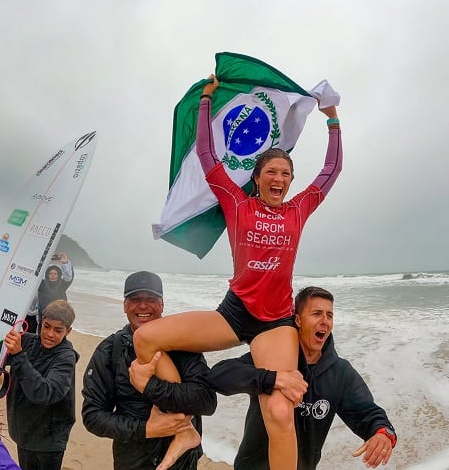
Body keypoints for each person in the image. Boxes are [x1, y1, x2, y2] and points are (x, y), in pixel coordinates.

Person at [133, 75, 343, 469]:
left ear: (291, 181)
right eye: (271, 172)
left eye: (285, 174)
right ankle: (183, 426)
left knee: (279, 413)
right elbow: (207, 152)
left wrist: (332, 120)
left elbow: (330, 171)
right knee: (146, 338)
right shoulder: (237, 202)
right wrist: (206, 102)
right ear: (258, 178)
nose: (279, 179)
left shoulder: (298, 209)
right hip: (234, 313)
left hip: (276, 323)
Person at [209, 286, 397, 469]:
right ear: (298, 320)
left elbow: (368, 413)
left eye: (329, 315)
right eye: (316, 314)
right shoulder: (274, 358)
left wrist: (383, 433)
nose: (325, 321)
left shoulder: (340, 372)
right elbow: (219, 375)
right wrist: (272, 378)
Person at [82, 271, 216, 470]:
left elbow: (206, 402)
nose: (143, 306)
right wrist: (146, 429)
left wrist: (150, 386)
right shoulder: (111, 350)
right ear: (125, 305)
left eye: (150, 299)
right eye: (135, 299)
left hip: (182, 461)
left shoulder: (184, 347)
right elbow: (93, 416)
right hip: (134, 461)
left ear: (162, 304)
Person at [4, 299, 78, 470]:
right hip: (24, 433)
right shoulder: (27, 341)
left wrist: (19, 356)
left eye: (58, 330)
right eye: (47, 326)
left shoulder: (66, 358)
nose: (50, 334)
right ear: (40, 323)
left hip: (48, 441)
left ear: (68, 331)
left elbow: (45, 393)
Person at [28, 252, 74, 333]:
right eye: (50, 273)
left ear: (59, 275)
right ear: (47, 275)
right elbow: (35, 274)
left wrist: (65, 263)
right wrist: (46, 261)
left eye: (55, 274)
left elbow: (69, 277)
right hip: (43, 317)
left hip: (60, 317)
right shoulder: (41, 285)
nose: (53, 275)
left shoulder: (63, 285)